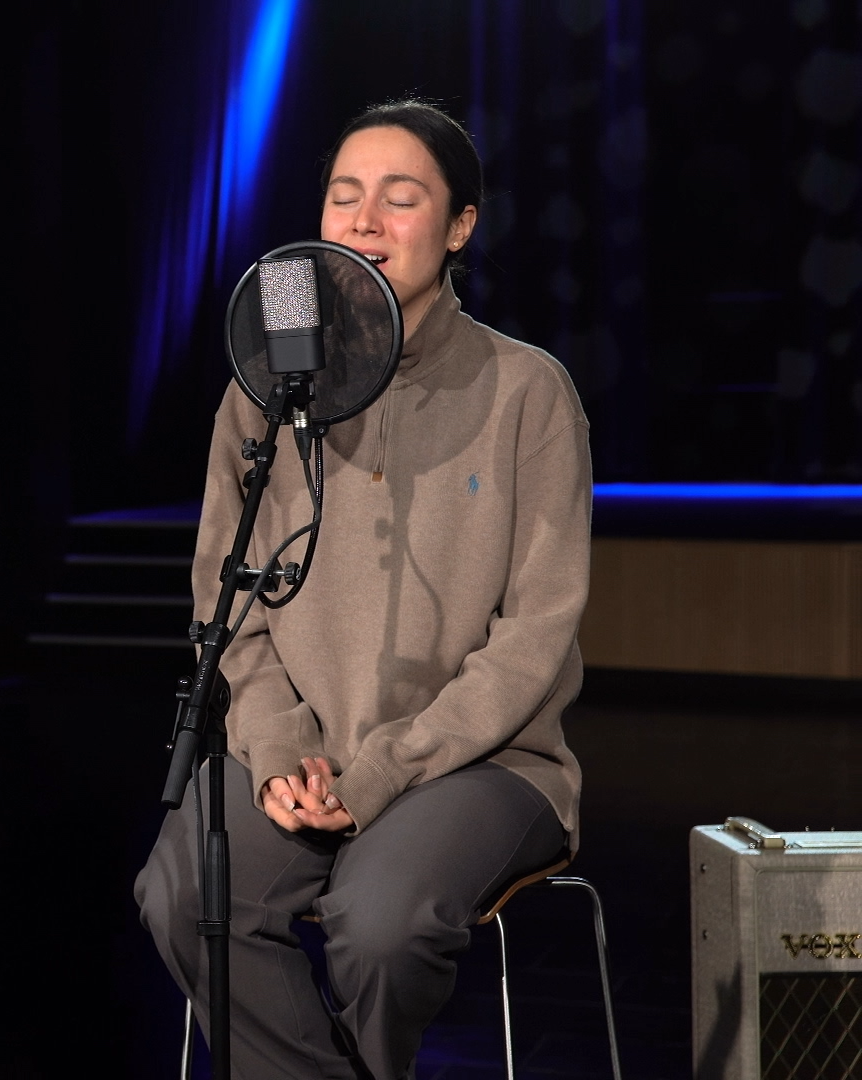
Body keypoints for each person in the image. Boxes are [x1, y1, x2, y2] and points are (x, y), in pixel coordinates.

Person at [134, 100, 591, 1079]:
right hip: (297, 754)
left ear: (460, 225)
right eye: (345, 196)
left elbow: (534, 634)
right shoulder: (263, 387)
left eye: (400, 197)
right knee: (183, 895)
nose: (365, 220)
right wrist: (278, 749)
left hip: (479, 763)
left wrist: (382, 771)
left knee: (380, 923)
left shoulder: (528, 391)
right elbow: (228, 604)